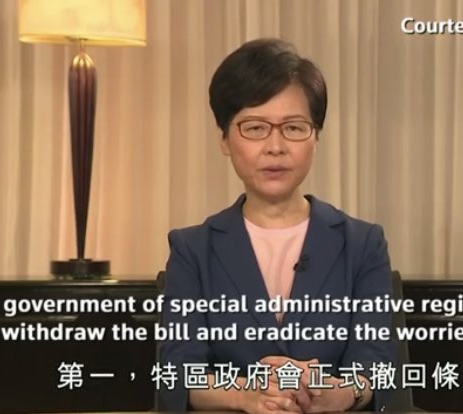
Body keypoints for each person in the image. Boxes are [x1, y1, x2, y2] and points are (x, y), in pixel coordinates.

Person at [158, 38, 395, 413]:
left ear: (316, 137)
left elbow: (376, 364)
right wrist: (246, 394)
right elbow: (179, 373)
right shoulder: (193, 250)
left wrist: (338, 393)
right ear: (224, 139)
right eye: (255, 128)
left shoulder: (363, 243)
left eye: (294, 128)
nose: (275, 146)